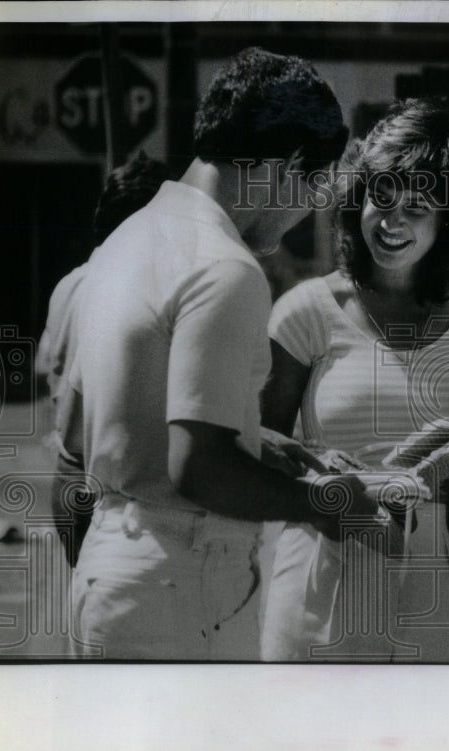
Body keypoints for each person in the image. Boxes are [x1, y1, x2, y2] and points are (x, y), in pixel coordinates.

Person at [66, 47, 379, 660]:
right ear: (288, 166)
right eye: (316, 186)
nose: (311, 207)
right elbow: (198, 468)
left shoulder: (127, 240)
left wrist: (259, 440)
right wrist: (325, 506)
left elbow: (99, 426)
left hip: (109, 569)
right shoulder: (225, 266)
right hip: (183, 581)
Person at [260, 98, 449, 662]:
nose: (392, 221)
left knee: (442, 747)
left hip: (444, 584)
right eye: (381, 197)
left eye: (418, 206)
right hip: (326, 571)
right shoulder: (304, 311)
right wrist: (315, 471)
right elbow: (253, 442)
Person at [38, 151, 170, 567]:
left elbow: (51, 371)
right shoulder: (132, 290)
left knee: (88, 617)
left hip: (68, 474)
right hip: (104, 482)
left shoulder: (70, 282)